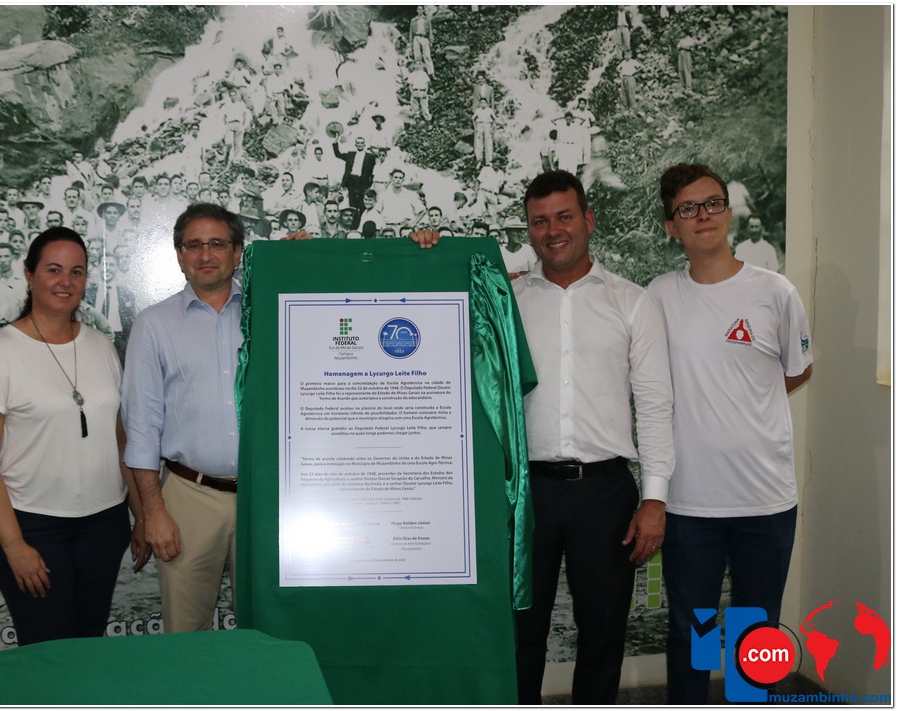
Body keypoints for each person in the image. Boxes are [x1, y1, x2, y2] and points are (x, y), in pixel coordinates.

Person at [411, 170, 673, 705]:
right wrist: (425, 254)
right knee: (519, 633)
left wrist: (655, 498)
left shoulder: (632, 302)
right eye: (539, 221)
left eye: (564, 216)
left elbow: (654, 406)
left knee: (603, 633)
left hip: (606, 493)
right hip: (524, 495)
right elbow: (431, 316)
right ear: (528, 230)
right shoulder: (504, 301)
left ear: (588, 219)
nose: (553, 230)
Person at [649, 163, 812, 705]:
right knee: (692, 628)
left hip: (765, 498)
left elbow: (798, 370)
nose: (704, 215)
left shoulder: (775, 291)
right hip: (689, 502)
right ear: (671, 225)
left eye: (713, 202)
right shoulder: (658, 296)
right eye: (688, 208)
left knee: (755, 631)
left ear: (729, 210)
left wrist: (743, 406)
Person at [0, 227, 149, 646]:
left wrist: (141, 515)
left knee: (88, 641)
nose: (66, 281)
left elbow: (121, 440)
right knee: (46, 651)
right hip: (32, 526)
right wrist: (13, 545)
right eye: (53, 269)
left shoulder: (102, 347)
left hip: (104, 524)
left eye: (77, 271)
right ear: (29, 275)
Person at [121, 203, 244, 633]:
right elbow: (141, 428)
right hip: (189, 497)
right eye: (194, 245)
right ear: (179, 255)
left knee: (267, 631)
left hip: (264, 499)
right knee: (186, 637)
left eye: (217, 243)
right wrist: (152, 513)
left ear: (238, 252)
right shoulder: (153, 325)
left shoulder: (269, 312)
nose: (205, 254)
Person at [332, 137, 376, 214]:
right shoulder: (350, 154)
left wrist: (370, 184)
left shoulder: (370, 157)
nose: (360, 144)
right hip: (352, 181)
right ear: (355, 144)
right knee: (352, 204)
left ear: (364, 144)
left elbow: (372, 171)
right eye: (358, 143)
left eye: (361, 143)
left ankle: (361, 220)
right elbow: (338, 154)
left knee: (362, 204)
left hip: (363, 182)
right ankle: (353, 220)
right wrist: (335, 142)